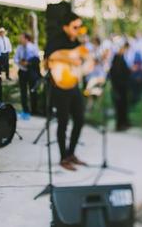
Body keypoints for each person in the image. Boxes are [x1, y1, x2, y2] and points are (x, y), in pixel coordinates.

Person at [44, 12, 87, 171]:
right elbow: (48, 60)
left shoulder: (75, 41)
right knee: (63, 122)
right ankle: (63, 157)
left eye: (79, 27)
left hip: (73, 84)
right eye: (75, 27)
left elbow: (79, 61)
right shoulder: (56, 41)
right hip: (59, 87)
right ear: (65, 27)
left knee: (80, 119)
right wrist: (70, 60)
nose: (78, 30)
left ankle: (71, 153)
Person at [14, 32, 40, 120]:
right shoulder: (19, 48)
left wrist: (28, 63)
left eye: (21, 37)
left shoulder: (33, 47)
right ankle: (25, 110)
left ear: (26, 39)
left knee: (33, 91)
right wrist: (21, 63)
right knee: (23, 92)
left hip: (31, 72)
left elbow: (37, 59)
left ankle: (34, 110)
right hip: (22, 72)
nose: (20, 39)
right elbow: (15, 59)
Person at [109, 42, 131, 131]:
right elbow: (115, 73)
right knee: (120, 105)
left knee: (123, 105)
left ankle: (123, 122)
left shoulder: (121, 58)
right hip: (119, 86)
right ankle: (120, 124)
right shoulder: (117, 58)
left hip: (122, 86)